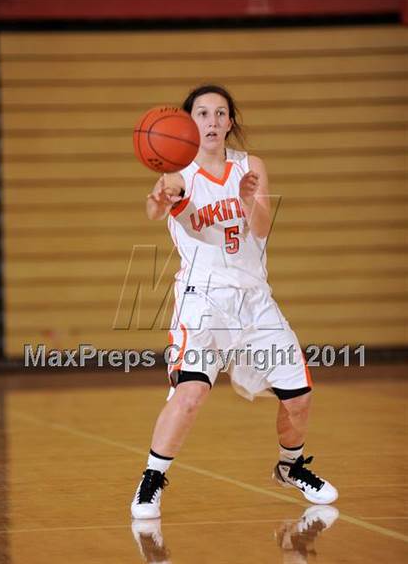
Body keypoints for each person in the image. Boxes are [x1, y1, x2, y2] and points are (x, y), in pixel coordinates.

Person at [131, 84, 338, 519]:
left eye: (220, 113)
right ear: (188, 122)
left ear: (230, 122)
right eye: (202, 113)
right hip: (201, 299)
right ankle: (152, 479)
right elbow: (155, 208)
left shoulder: (250, 166)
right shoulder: (177, 173)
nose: (211, 121)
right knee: (189, 394)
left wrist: (247, 202)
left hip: (254, 298)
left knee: (299, 397)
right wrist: (157, 200)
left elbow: (261, 229)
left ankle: (290, 467)